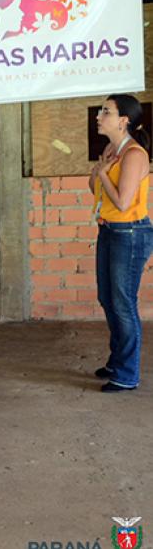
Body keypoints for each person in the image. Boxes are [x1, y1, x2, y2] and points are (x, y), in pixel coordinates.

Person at [90, 94, 153, 392]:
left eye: (106, 112)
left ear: (124, 120)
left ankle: (127, 374)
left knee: (123, 303)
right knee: (107, 298)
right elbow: (98, 192)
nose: (99, 116)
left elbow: (124, 202)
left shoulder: (134, 155)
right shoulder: (111, 149)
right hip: (109, 229)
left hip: (130, 233)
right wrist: (98, 174)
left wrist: (102, 173)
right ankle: (117, 362)